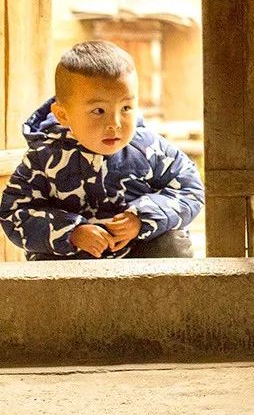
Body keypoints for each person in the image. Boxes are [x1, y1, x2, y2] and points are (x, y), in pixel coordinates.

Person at [0, 40, 204, 260]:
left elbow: (190, 189)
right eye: (98, 111)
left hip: (140, 259)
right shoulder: (43, 158)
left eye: (126, 108)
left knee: (172, 242)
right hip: (72, 263)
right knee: (44, 259)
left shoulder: (150, 149)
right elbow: (14, 212)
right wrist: (71, 232)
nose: (115, 123)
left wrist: (143, 217)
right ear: (63, 115)